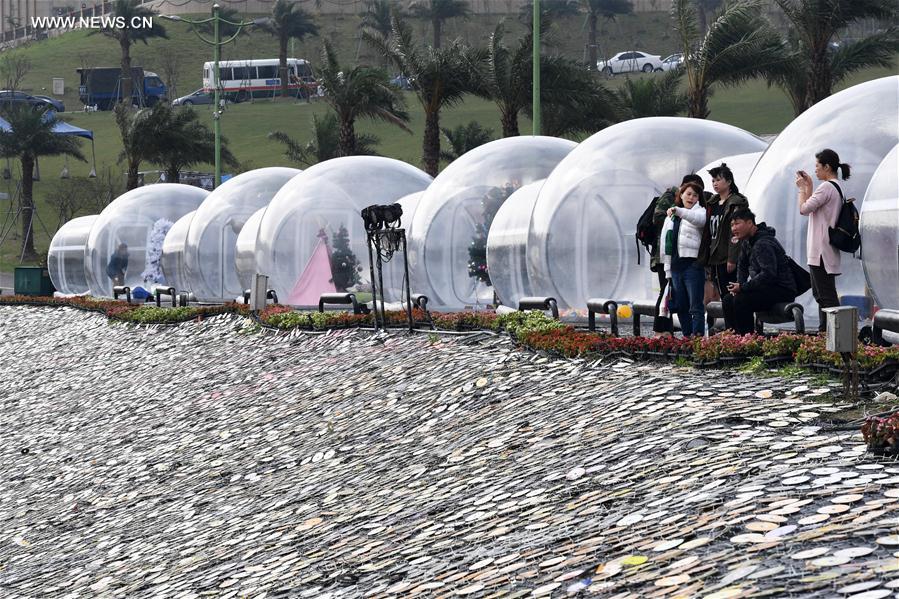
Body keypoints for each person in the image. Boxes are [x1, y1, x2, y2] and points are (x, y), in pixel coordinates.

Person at [796, 148, 850, 332]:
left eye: (817, 166)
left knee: (825, 296)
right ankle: (824, 332)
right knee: (822, 295)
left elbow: (804, 209)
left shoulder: (826, 187)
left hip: (820, 251)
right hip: (826, 250)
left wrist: (802, 189)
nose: (816, 170)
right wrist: (809, 187)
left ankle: (836, 337)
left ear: (827, 166)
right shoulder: (837, 186)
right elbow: (815, 207)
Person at [722, 209, 797, 335]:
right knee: (728, 299)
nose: (734, 228)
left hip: (782, 289)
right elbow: (742, 266)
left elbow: (769, 274)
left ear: (750, 223)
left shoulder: (763, 243)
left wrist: (743, 287)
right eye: (732, 225)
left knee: (741, 301)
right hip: (765, 288)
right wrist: (739, 285)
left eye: (737, 224)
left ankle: (747, 341)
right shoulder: (747, 241)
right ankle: (733, 339)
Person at [650, 173, 708, 335]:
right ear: (681, 195)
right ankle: (688, 337)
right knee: (681, 305)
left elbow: (699, 221)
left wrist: (679, 211)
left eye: (695, 195)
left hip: (692, 265)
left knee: (695, 306)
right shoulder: (671, 217)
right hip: (675, 267)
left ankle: (697, 339)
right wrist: (667, 269)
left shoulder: (699, 212)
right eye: (688, 193)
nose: (691, 197)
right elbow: (665, 244)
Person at [698, 163, 749, 326]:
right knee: (722, 293)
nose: (714, 183)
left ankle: (737, 328)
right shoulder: (712, 203)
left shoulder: (736, 202)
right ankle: (730, 328)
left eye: (718, 180)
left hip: (727, 256)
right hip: (714, 256)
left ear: (728, 181)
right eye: (713, 180)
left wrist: (732, 258)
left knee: (732, 293)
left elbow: (736, 233)